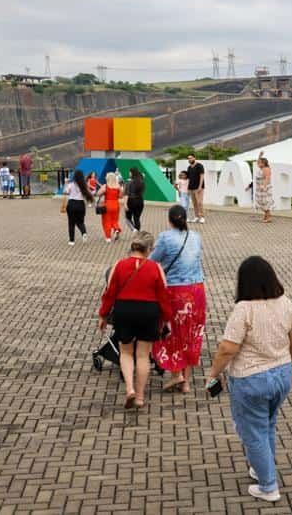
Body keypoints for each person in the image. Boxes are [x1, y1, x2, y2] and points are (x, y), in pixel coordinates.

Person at [207, 256, 292, 503]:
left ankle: (268, 485)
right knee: (268, 424)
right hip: (281, 373)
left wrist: (214, 372)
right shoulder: (285, 303)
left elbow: (227, 348)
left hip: (251, 379)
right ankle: (262, 468)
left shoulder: (244, 309)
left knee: (254, 432)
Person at [97, 231, 172, 410]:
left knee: (126, 352)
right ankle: (139, 396)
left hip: (125, 311)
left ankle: (129, 388)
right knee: (143, 356)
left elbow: (109, 293)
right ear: (149, 249)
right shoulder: (155, 268)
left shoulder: (119, 265)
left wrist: (103, 315)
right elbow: (164, 296)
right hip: (148, 312)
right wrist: (166, 319)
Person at [152, 205, 205, 393]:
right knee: (191, 334)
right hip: (197, 290)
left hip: (176, 291)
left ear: (170, 220)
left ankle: (176, 374)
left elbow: (152, 260)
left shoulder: (165, 238)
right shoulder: (196, 237)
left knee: (170, 331)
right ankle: (186, 382)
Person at [60, 169, 93, 245]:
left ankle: (71, 241)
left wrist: (65, 183)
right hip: (81, 204)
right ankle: (84, 233)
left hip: (71, 204)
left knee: (71, 223)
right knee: (80, 222)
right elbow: (89, 194)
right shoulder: (84, 185)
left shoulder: (71, 184)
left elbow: (65, 192)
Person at [96, 172, 123, 242]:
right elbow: (121, 196)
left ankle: (108, 237)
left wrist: (102, 190)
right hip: (116, 204)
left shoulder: (105, 186)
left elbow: (98, 193)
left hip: (107, 204)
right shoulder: (118, 187)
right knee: (115, 220)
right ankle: (116, 229)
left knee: (106, 221)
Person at [253, 152, 274, 223]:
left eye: (260, 163)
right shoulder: (261, 168)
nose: (258, 164)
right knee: (260, 202)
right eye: (258, 163)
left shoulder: (266, 169)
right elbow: (258, 161)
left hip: (264, 188)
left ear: (263, 163)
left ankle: (268, 216)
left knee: (265, 202)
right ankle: (266, 215)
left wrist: (264, 186)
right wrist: (260, 155)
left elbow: (267, 178)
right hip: (259, 188)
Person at [185, 154, 206, 223]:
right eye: (188, 158)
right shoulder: (189, 168)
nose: (189, 159)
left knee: (199, 202)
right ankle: (197, 216)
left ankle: (202, 217)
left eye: (191, 158)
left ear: (194, 158)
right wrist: (187, 188)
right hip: (191, 188)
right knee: (194, 203)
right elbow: (188, 179)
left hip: (198, 188)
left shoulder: (199, 166)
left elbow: (202, 176)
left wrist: (200, 187)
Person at [124, 167, 145, 232]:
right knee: (137, 218)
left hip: (131, 201)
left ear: (132, 173)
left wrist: (125, 204)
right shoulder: (141, 182)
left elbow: (126, 194)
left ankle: (134, 230)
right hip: (140, 201)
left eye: (130, 172)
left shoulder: (129, 182)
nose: (129, 173)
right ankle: (138, 232)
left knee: (128, 218)